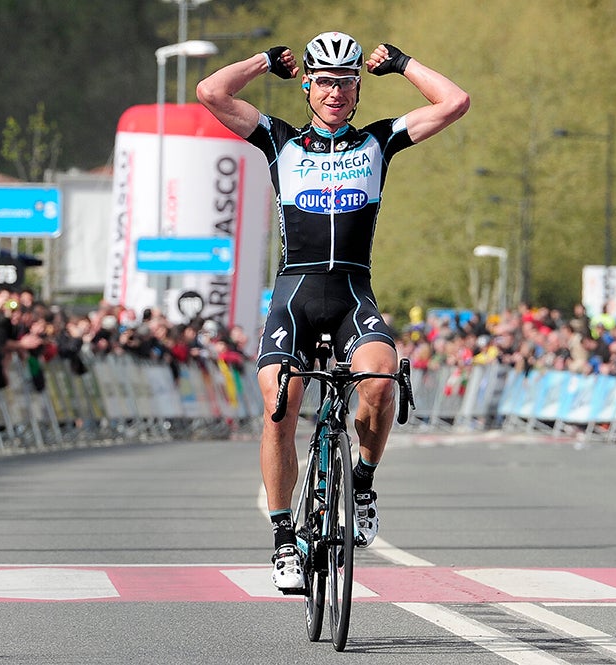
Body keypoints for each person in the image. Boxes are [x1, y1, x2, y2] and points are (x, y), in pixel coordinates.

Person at [197, 31, 469, 590]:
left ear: (358, 88)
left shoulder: (378, 141)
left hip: (352, 293)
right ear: (307, 87)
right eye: (324, 81)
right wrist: (263, 62)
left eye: (346, 82)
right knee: (281, 403)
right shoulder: (280, 140)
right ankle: (282, 542)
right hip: (295, 296)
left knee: (380, 381)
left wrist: (403, 63)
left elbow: (454, 102)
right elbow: (210, 92)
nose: (335, 92)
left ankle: (363, 487)